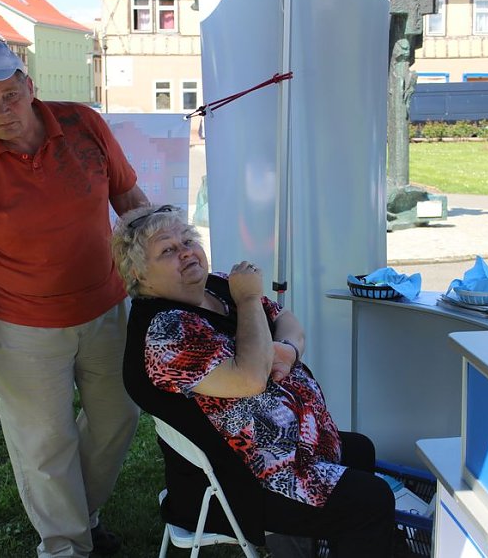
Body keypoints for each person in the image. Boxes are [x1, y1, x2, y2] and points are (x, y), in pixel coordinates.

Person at [0, 41, 148, 557]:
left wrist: (162, 269)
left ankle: (80, 516)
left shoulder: (83, 124)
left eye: (10, 95)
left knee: (117, 418)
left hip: (107, 308)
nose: (1, 111)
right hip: (23, 327)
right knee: (44, 445)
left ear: (30, 87)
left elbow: (130, 202)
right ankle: (66, 546)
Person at [111, 205, 397, 556]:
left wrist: (289, 350)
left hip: (288, 450)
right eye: (168, 250)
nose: (186, 251)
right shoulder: (166, 330)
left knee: (360, 450)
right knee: (369, 500)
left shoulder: (216, 287)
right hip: (249, 478)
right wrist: (247, 299)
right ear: (139, 275)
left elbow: (287, 320)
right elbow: (249, 378)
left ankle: (317, 547)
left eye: (188, 240)